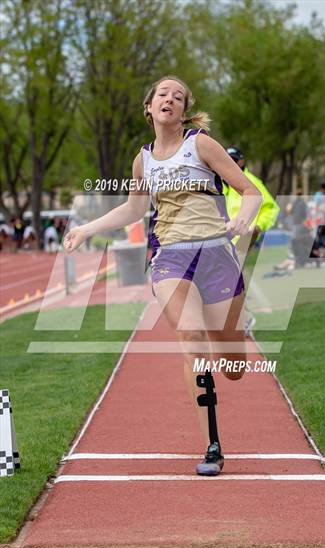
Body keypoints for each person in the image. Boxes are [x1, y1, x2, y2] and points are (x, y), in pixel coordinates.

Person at [64, 75, 262, 477]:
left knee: (234, 365)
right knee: (190, 337)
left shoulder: (201, 144)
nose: (169, 98)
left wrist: (243, 217)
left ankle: (238, 331)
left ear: (183, 110)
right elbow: (134, 210)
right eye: (162, 94)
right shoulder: (143, 159)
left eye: (177, 96)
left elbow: (250, 191)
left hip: (216, 256)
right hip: (171, 257)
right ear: (150, 107)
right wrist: (88, 228)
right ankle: (212, 444)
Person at [222, 147, 279, 251]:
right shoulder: (220, 182)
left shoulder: (252, 182)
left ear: (241, 162)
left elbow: (271, 208)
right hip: (221, 239)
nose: (230, 164)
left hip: (241, 239)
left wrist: (257, 227)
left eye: (233, 160)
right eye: (226, 160)